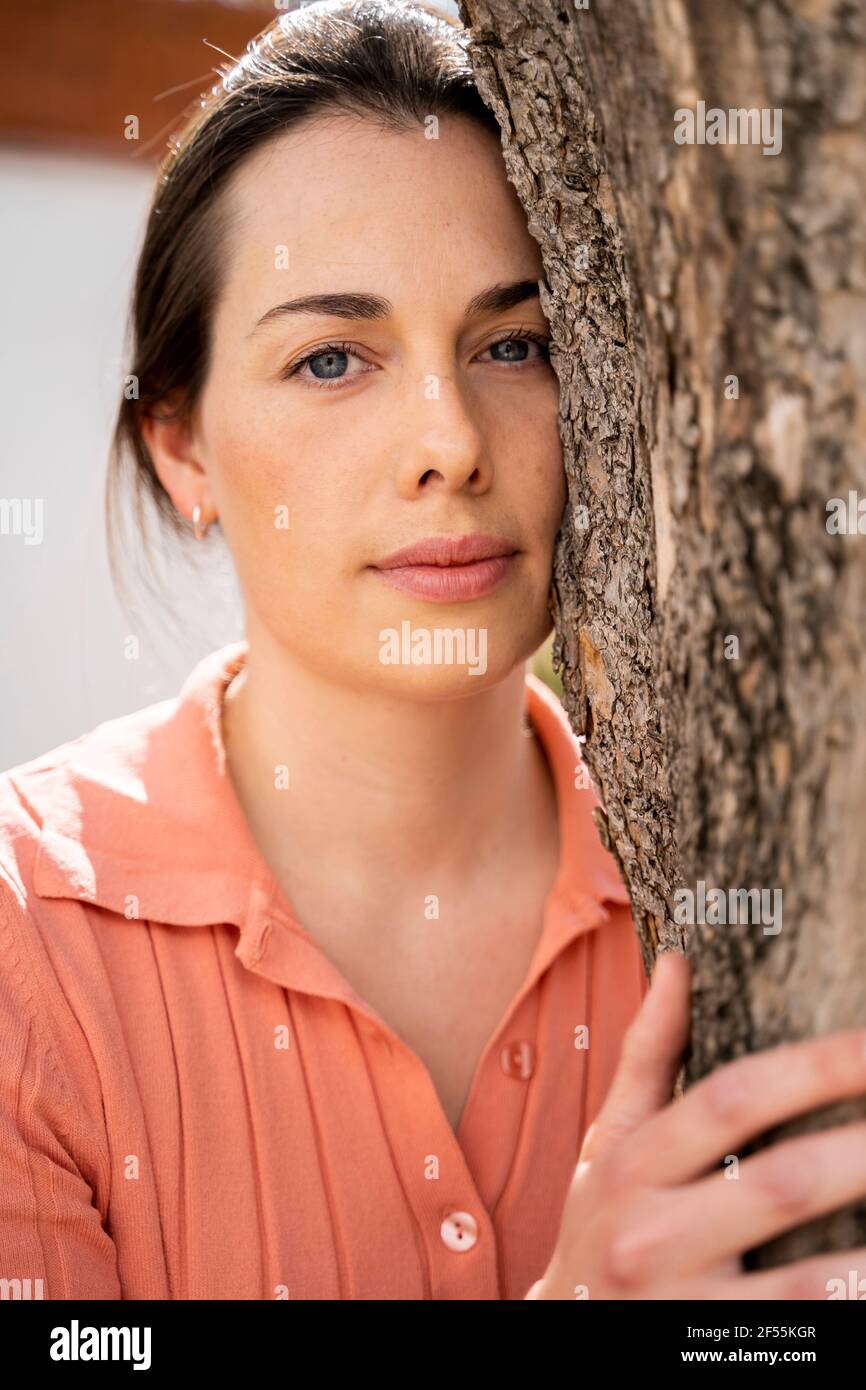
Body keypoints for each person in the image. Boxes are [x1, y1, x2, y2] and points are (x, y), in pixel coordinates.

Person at [2, 0, 865, 1302]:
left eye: (512, 345)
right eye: (333, 357)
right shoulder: (27, 946)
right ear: (182, 449)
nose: (449, 440)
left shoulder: (751, 880)